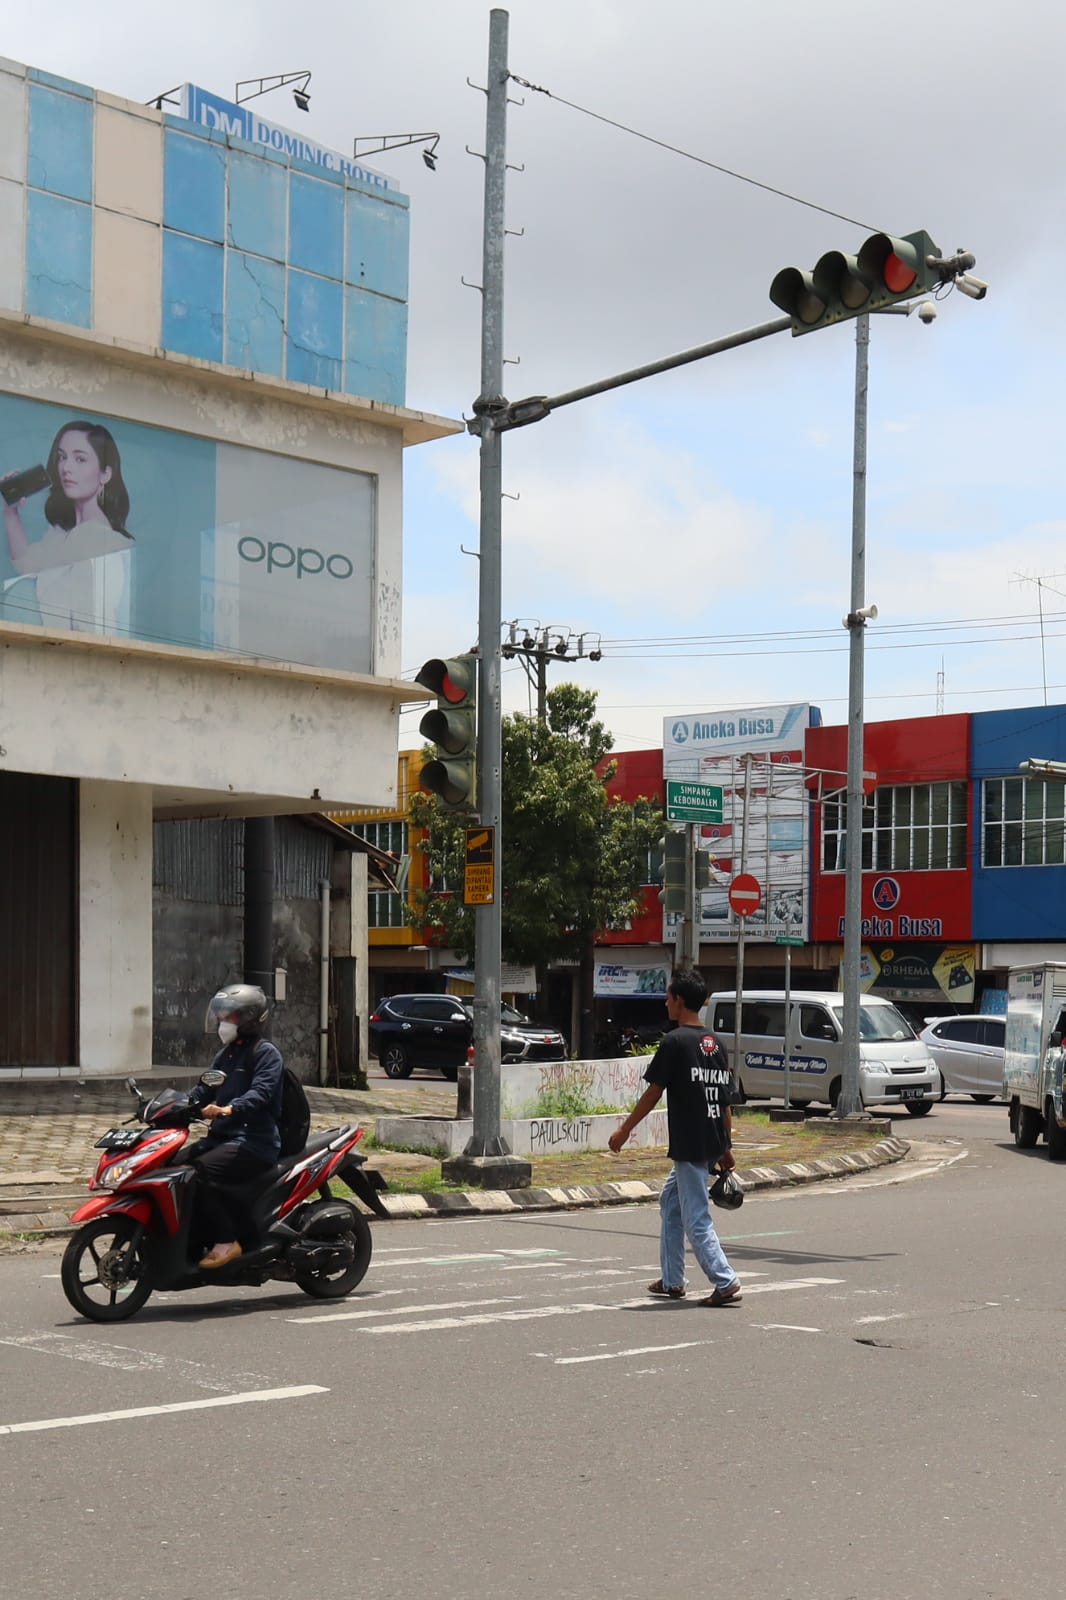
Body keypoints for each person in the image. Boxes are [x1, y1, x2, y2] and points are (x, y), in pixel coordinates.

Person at [608, 966, 743, 1307]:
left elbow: (654, 1092)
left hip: (691, 1143)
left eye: (668, 997)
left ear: (679, 1000)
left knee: (696, 1217)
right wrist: (726, 1145)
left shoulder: (675, 1042)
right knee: (671, 1203)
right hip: (710, 1140)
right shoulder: (715, 1045)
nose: (666, 1003)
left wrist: (625, 1129)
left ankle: (725, 1280)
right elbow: (724, 1099)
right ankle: (672, 1280)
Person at [2, 420, 134, 635]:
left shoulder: (106, 543)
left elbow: (97, 628)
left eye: (80, 459)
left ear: (105, 474)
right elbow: (26, 564)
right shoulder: (61, 537)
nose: (66, 468)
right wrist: (10, 511)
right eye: (62, 457)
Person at [187, 983, 284, 1271]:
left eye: (229, 1017)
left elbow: (261, 1092)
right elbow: (204, 1088)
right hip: (224, 1138)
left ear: (250, 1019)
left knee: (200, 1172)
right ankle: (192, 1239)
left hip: (254, 1141)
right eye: (221, 1016)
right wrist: (178, 1106)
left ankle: (228, 1240)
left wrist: (230, 1108)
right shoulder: (226, 1055)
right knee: (172, 1167)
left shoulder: (266, 1054)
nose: (223, 1023)